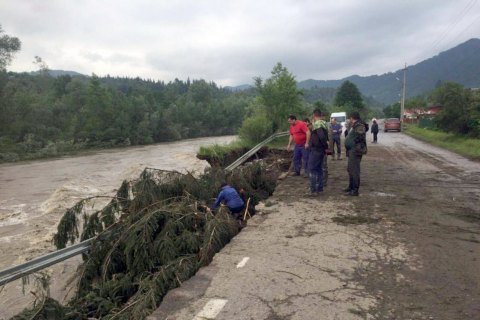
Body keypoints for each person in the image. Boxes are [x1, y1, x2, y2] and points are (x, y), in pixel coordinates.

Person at [306, 109, 329, 195]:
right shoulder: (324, 123)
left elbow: (322, 136)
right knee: (319, 169)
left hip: (316, 149)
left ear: (314, 115)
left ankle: (313, 190)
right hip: (321, 150)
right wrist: (325, 147)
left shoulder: (318, 124)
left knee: (312, 169)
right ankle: (320, 188)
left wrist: (325, 146)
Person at [344, 111, 367, 196]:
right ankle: (351, 187)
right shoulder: (354, 125)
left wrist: (353, 141)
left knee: (354, 170)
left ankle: (355, 190)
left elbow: (360, 136)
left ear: (352, 118)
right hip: (351, 150)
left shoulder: (359, 125)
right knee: (350, 169)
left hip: (356, 150)